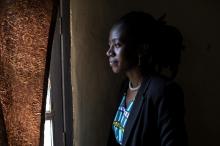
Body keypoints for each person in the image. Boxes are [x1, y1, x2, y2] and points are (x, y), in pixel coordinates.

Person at [106, 11, 188, 146]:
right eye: (109, 45)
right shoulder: (125, 87)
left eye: (117, 45)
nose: (109, 52)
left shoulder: (163, 91)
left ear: (141, 49)